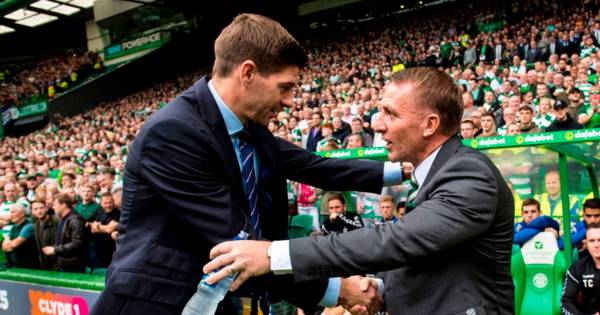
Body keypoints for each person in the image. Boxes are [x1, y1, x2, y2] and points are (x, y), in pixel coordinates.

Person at [92, 14, 400, 315]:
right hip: (156, 301)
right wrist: (337, 289)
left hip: (219, 299)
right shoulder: (174, 132)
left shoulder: (249, 129)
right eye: (285, 87)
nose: (291, 101)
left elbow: (315, 167)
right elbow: (240, 246)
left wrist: (403, 172)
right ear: (248, 73)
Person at [205, 67, 515, 314]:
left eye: (391, 114)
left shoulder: (469, 173)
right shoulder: (431, 174)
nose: (378, 126)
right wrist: (375, 288)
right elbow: (424, 258)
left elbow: (399, 241)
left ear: (430, 124)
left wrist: (274, 254)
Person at [42, 193, 88, 273]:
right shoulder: (63, 219)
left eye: (55, 204)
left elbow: (77, 243)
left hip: (73, 265)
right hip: (64, 263)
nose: (53, 207)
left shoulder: (75, 220)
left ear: (63, 204)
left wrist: (55, 250)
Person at [561, 222, 600, 314]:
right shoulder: (577, 268)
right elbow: (566, 302)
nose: (596, 245)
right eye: (591, 241)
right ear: (586, 243)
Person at [1, 203, 39, 269]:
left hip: (28, 267)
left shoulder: (28, 226)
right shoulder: (14, 227)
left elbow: (14, 245)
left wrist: (8, 242)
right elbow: (4, 247)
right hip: (14, 266)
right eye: (10, 212)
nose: (11, 215)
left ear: (22, 214)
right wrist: (8, 244)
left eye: (13, 212)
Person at [32, 199, 59, 270]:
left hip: (58, 262)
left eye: (41, 208)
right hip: (44, 264)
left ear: (46, 208)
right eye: (36, 209)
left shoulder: (57, 221)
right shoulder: (35, 225)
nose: (39, 211)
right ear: (32, 212)